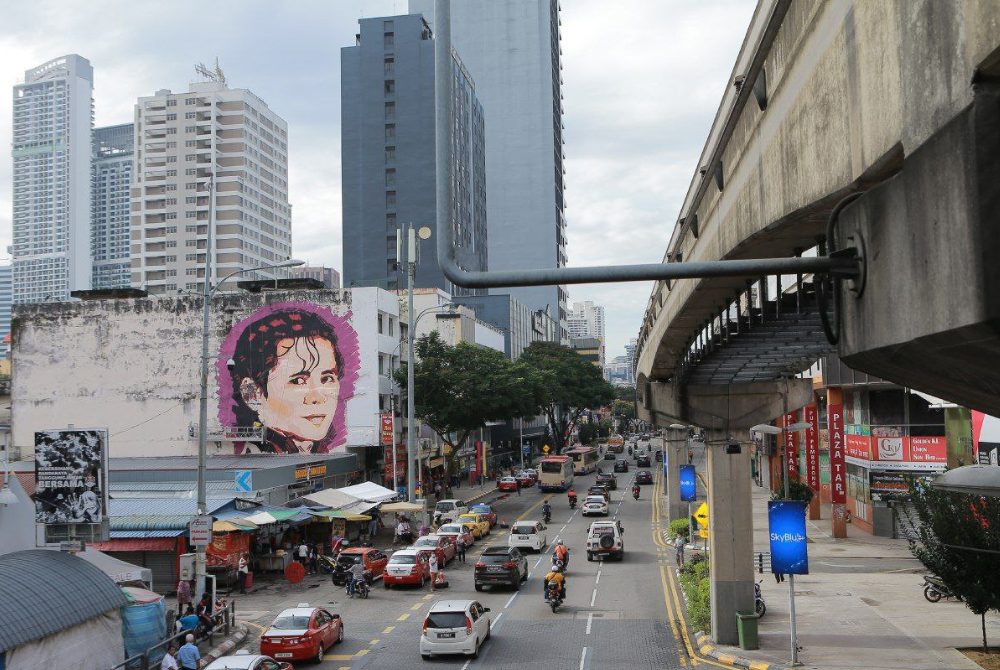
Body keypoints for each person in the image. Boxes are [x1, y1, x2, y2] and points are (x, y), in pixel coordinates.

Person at [226, 307, 355, 454]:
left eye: (327, 378)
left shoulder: (313, 452)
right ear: (252, 394)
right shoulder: (258, 455)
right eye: (298, 381)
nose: (317, 398)